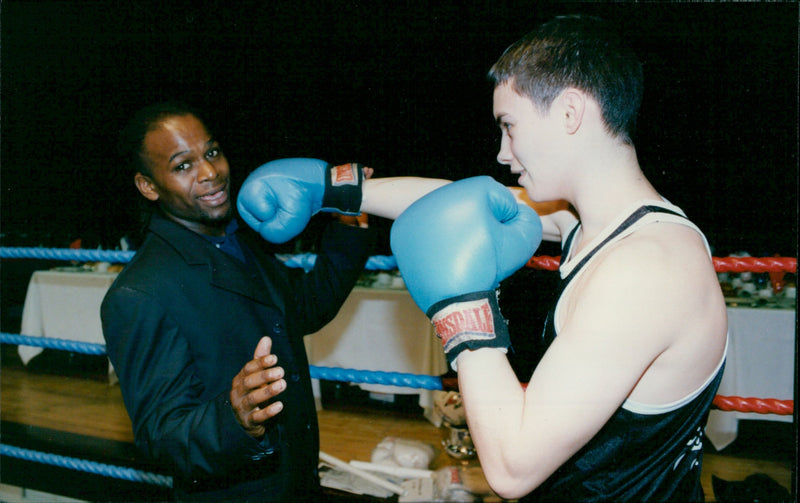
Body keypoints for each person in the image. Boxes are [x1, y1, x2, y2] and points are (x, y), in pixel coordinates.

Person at [390, 15, 728, 502]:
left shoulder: (647, 269)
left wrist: (459, 308)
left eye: (510, 126)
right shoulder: (594, 224)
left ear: (570, 112)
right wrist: (340, 189)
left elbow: (511, 467)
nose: (504, 152)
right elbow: (459, 204)